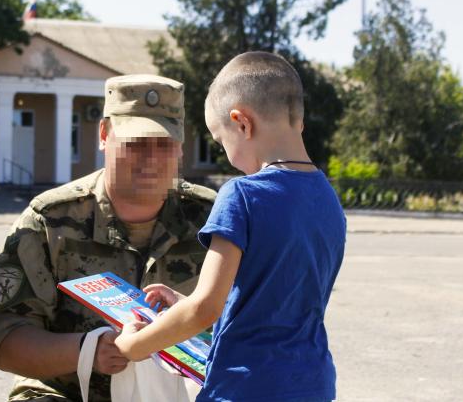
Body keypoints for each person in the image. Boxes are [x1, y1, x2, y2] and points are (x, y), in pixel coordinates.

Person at [115, 52, 347, 402]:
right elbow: (276, 301)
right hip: (312, 384)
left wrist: (132, 346)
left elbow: (203, 309)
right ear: (297, 120)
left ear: (242, 123)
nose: (226, 154)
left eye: (221, 142)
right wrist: (182, 301)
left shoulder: (242, 194)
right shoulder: (328, 199)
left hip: (244, 387)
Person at [0, 74, 217, 401]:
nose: (150, 159)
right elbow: (7, 343)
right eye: (135, 143)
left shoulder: (215, 221)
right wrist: (89, 351)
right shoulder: (50, 221)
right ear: (104, 134)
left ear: (179, 147)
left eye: (163, 144)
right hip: (70, 393)